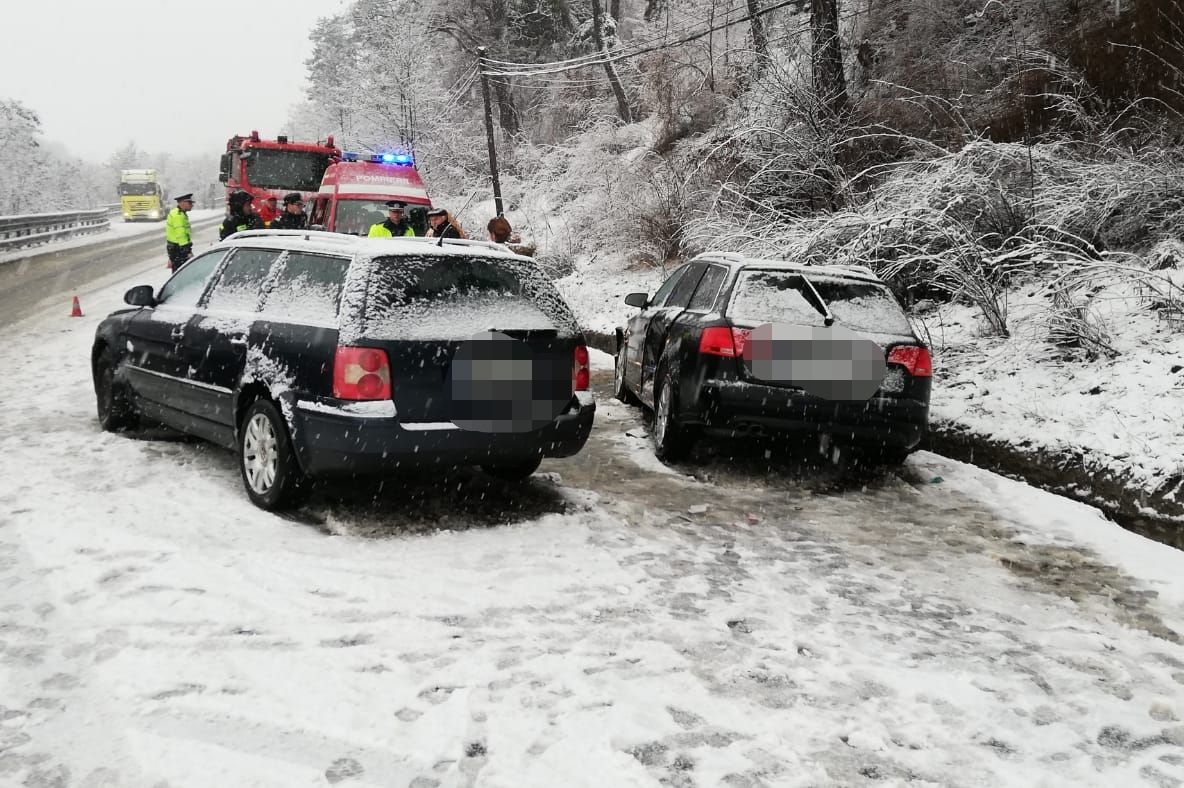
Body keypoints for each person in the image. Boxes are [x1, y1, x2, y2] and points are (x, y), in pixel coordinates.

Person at [165, 193, 195, 270]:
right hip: (178, 249)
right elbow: (181, 235)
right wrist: (187, 251)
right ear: (182, 203)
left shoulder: (180, 213)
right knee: (182, 272)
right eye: (189, 203)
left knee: (180, 270)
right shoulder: (178, 216)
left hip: (176, 248)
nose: (192, 205)